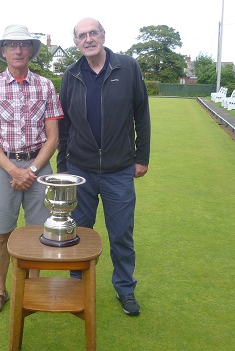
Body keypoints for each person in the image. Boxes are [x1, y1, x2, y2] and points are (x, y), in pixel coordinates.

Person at [57, 17, 151, 316]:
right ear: (76, 42)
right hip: (79, 170)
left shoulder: (128, 67)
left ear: (103, 35)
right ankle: (76, 287)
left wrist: (141, 157)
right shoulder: (71, 74)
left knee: (121, 233)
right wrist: (62, 167)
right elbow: (64, 124)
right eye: (82, 35)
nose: (88, 39)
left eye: (93, 33)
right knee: (78, 232)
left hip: (119, 170)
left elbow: (141, 114)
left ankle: (125, 289)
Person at [0, 24, 64, 316]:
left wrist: (33, 169)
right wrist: (14, 170)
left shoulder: (46, 85)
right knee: (2, 233)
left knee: (39, 233)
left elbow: (53, 137)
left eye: (23, 45)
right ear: (3, 51)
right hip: (4, 168)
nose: (18, 50)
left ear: (31, 51)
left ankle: (32, 291)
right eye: (12, 45)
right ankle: (0, 290)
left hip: (39, 167)